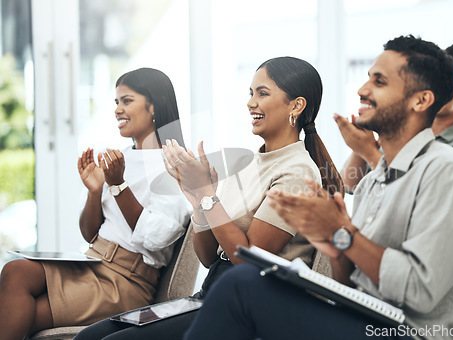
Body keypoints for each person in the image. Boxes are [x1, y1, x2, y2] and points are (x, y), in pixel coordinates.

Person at [184, 35, 453, 340]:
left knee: (243, 283)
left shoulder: (452, 172)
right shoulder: (374, 179)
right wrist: (335, 247)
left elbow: (419, 291)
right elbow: (353, 286)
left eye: (379, 82)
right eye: (367, 79)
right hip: (366, 320)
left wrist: (343, 235)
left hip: (411, 333)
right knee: (242, 286)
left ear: (421, 100)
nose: (362, 90)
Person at [75, 56, 344, 340]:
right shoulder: (250, 162)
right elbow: (206, 257)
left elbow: (247, 263)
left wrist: (207, 195)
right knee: (88, 338)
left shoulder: (297, 170)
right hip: (211, 292)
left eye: (262, 93)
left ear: (296, 105)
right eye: (250, 93)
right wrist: (198, 201)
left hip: (249, 307)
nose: (251, 102)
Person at [0, 68, 190, 339]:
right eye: (116, 102)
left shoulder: (173, 166)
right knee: (15, 270)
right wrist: (95, 190)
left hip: (125, 282)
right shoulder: (121, 159)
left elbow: (155, 238)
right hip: (92, 262)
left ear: (154, 105)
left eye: (127, 100)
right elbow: (90, 233)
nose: (117, 110)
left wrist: (118, 186)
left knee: (22, 314)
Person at [336, 43, 453, 193]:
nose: (437, 89)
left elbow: (425, 197)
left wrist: (368, 152)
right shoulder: (403, 133)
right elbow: (350, 185)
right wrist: (360, 146)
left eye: (451, 83)